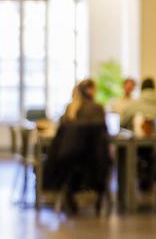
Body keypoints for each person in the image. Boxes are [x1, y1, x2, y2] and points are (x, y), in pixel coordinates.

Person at [44, 79, 110, 213]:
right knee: (106, 159)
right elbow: (103, 137)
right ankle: (99, 196)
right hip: (93, 160)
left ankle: (69, 191)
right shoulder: (97, 108)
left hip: (66, 158)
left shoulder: (70, 109)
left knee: (75, 167)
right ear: (92, 90)